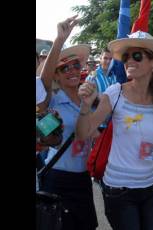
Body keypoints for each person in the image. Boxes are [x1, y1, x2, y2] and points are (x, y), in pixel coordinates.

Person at [75, 30, 153, 230]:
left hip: (150, 186)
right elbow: (83, 134)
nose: (129, 61)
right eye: (126, 56)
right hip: (119, 189)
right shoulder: (115, 93)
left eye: (137, 56)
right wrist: (84, 106)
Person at [39, 16, 98, 230]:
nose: (72, 70)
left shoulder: (90, 99)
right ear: (56, 74)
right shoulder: (52, 100)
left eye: (75, 65)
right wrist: (59, 41)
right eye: (65, 68)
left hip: (83, 179)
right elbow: (42, 86)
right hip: (58, 179)